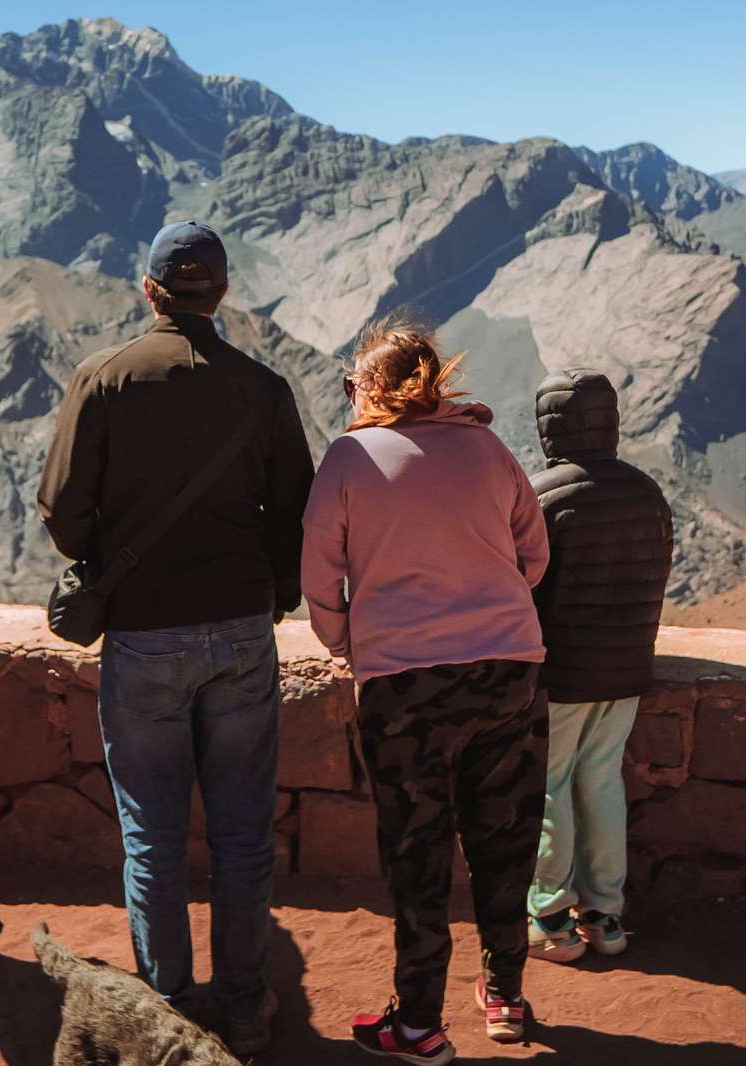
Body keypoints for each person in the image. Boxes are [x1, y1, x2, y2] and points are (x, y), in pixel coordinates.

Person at [37, 220, 316, 1058]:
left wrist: (106, 555)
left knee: (152, 835)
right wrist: (272, 597)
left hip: (144, 638)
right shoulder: (263, 391)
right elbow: (295, 514)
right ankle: (245, 1004)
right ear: (222, 292)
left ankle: (171, 1007)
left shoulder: (103, 379)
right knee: (240, 833)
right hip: (239, 632)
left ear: (150, 289)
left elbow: (62, 513)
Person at [299, 317, 551, 1061]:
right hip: (508, 672)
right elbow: (533, 557)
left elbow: (317, 581)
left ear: (371, 388)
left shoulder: (348, 460)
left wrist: (353, 643)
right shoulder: (488, 449)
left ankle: (417, 1026)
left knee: (419, 853)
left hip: (402, 687)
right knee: (504, 842)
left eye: (352, 387)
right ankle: (505, 997)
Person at [524, 369, 673, 963]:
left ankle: (552, 917)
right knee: (602, 780)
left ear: (548, 426)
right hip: (628, 668)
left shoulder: (540, 496)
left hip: (561, 675)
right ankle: (605, 916)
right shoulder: (648, 492)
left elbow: (524, 590)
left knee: (552, 787)